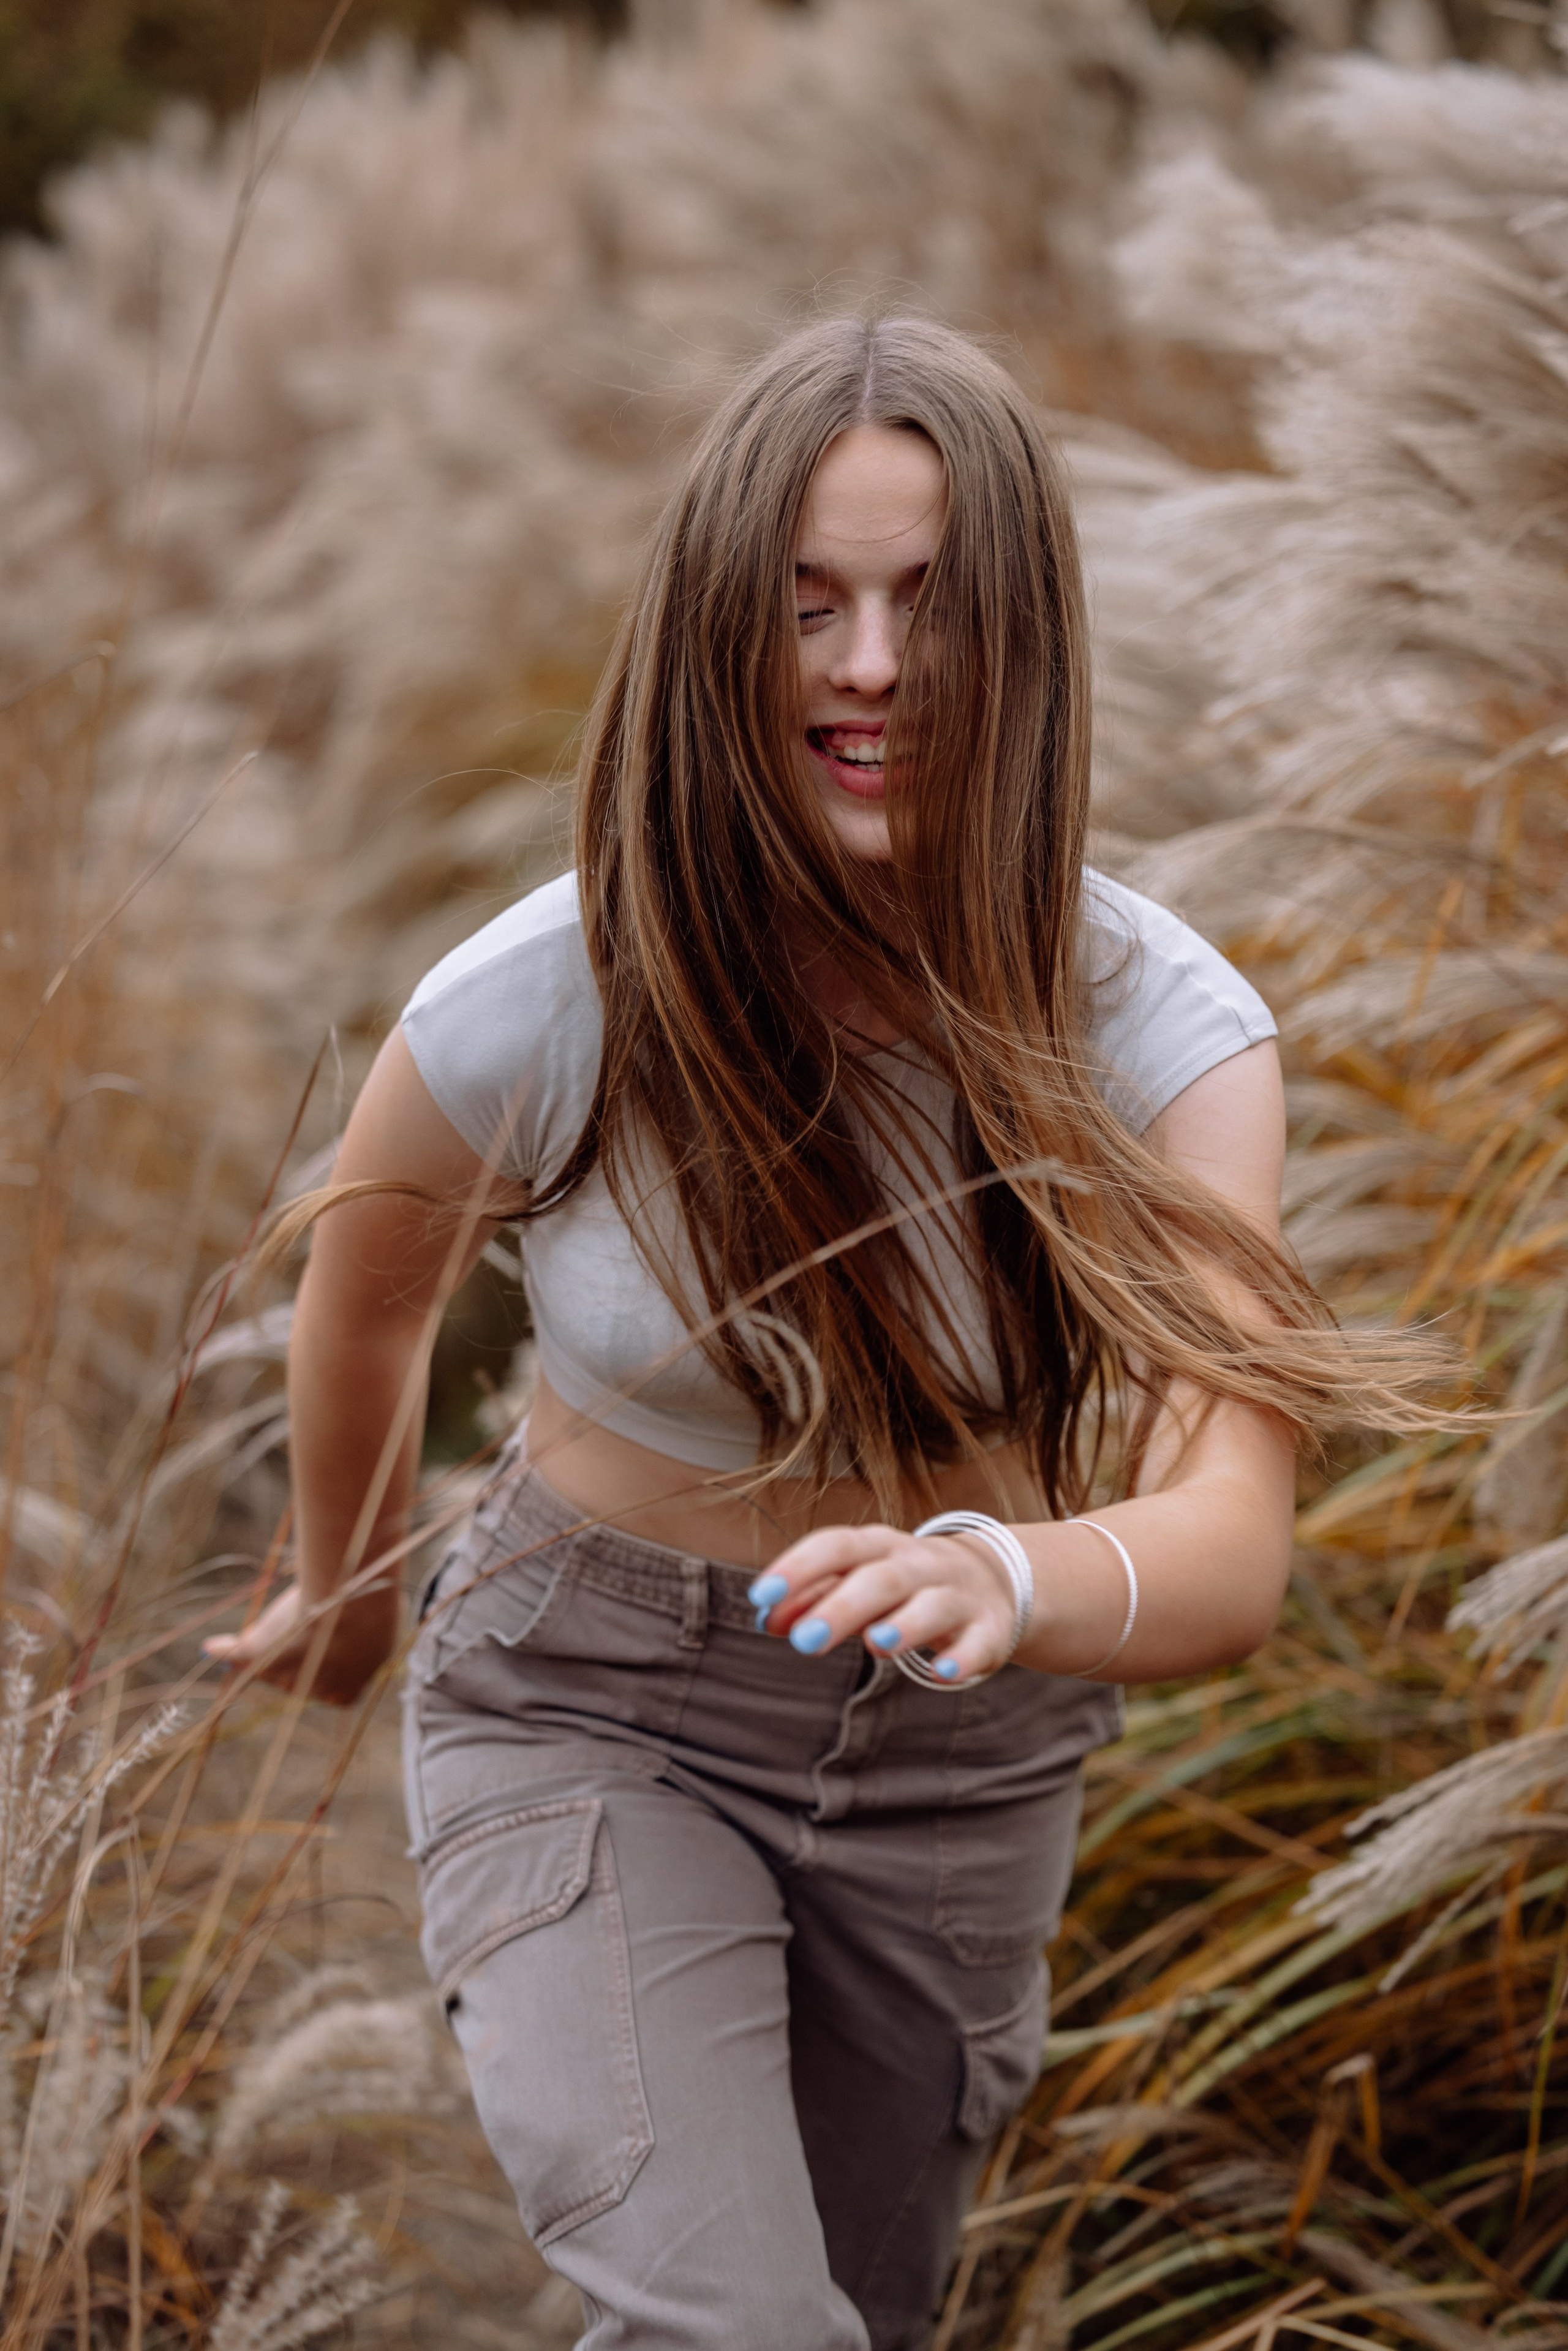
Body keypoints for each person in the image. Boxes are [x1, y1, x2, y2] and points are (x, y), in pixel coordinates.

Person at [207, 315, 1438, 2351]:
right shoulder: (553, 990)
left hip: (969, 1763)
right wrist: (342, 1584)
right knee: (736, 2331)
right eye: (807, 610)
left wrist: (1004, 1570)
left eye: (929, 608)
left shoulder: (1166, 1033)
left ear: (1024, 640)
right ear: (718, 640)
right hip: (592, 1703)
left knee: (851, 2318)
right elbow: (371, 1288)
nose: (868, 669)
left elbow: (1229, 1537)